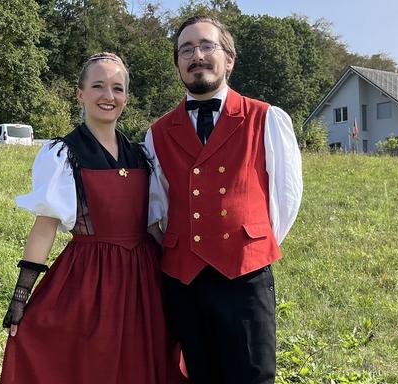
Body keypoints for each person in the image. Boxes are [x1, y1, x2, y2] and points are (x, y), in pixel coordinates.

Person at [0, 52, 185, 384]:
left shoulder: (142, 155)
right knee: (91, 364)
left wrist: (178, 280)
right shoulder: (64, 154)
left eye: (117, 88)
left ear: (126, 96)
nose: (108, 96)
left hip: (144, 279)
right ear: (80, 93)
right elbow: (45, 227)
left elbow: (153, 226)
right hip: (90, 277)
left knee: (141, 362)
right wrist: (20, 296)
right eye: (98, 86)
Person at [143, 16, 303, 384]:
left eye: (206, 46)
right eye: (186, 50)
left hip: (245, 277)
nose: (196, 56)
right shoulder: (157, 133)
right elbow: (158, 205)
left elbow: (286, 196)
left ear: (229, 58)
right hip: (184, 282)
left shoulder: (266, 118)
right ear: (178, 64)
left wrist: (252, 245)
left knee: (253, 376)